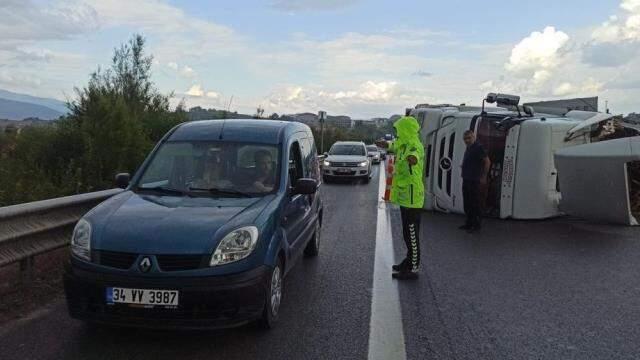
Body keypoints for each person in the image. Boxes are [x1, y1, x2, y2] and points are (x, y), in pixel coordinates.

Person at [376, 115, 425, 280]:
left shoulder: (414, 145)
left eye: (398, 130)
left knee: (412, 234)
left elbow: (415, 155)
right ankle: (409, 260)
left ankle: (413, 268)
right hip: (406, 198)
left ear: (406, 130)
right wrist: (385, 144)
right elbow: (394, 146)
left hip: (413, 198)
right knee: (406, 233)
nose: (397, 133)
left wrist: (412, 159)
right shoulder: (403, 144)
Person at [460, 130, 491, 233]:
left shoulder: (478, 147)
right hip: (467, 178)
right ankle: (469, 223)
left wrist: (484, 176)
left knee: (475, 203)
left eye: (469, 138)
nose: (467, 140)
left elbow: (487, 162)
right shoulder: (469, 148)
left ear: (473, 137)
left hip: (475, 179)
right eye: (465, 139)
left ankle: (476, 225)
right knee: (467, 202)